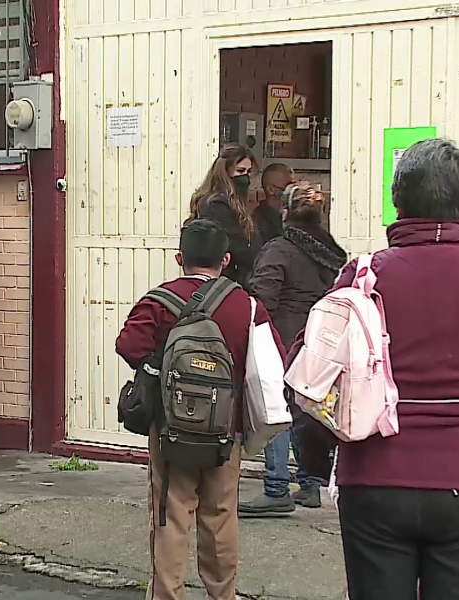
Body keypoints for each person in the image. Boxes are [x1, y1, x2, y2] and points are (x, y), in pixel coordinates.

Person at [292, 139, 459, 600]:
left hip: (375, 479)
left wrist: (335, 441)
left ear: (397, 199)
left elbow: (308, 370)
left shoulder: (362, 276)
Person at [116, 219, 285, 600]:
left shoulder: (159, 300)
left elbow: (128, 344)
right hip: (227, 431)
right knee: (221, 517)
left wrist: (160, 367)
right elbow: (274, 360)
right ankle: (221, 595)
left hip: (171, 428)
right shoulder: (247, 305)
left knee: (171, 516)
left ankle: (167, 594)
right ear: (225, 260)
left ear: (180, 258)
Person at [240, 183, 347, 516]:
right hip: (318, 341)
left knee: (278, 409)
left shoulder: (279, 249)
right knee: (304, 408)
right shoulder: (333, 253)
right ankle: (310, 483)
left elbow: (262, 296)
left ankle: (276, 488)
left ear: (285, 214)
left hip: (282, 338)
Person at [187, 143, 262, 286]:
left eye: (248, 171)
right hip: (224, 279)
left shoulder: (234, 202)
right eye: (240, 171)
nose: (245, 177)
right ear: (225, 172)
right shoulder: (215, 205)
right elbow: (233, 244)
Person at [253, 163, 294, 244]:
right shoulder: (256, 223)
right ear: (271, 190)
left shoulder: (293, 217)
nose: (292, 190)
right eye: (288, 186)